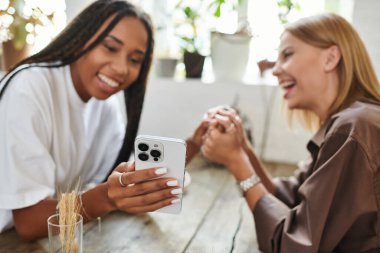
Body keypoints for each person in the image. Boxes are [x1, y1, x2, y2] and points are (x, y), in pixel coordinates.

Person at [0, 0, 184, 240]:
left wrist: (195, 144)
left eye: (135, 60)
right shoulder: (29, 88)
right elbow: (28, 222)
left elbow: (116, 178)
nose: (121, 68)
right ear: (82, 37)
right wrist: (106, 197)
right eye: (110, 47)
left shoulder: (103, 103)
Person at [200, 13, 380, 252]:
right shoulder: (351, 122)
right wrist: (243, 147)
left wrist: (236, 162)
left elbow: (290, 245)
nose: (275, 70)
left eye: (287, 54)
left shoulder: (353, 129)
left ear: (331, 58)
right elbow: (289, 197)